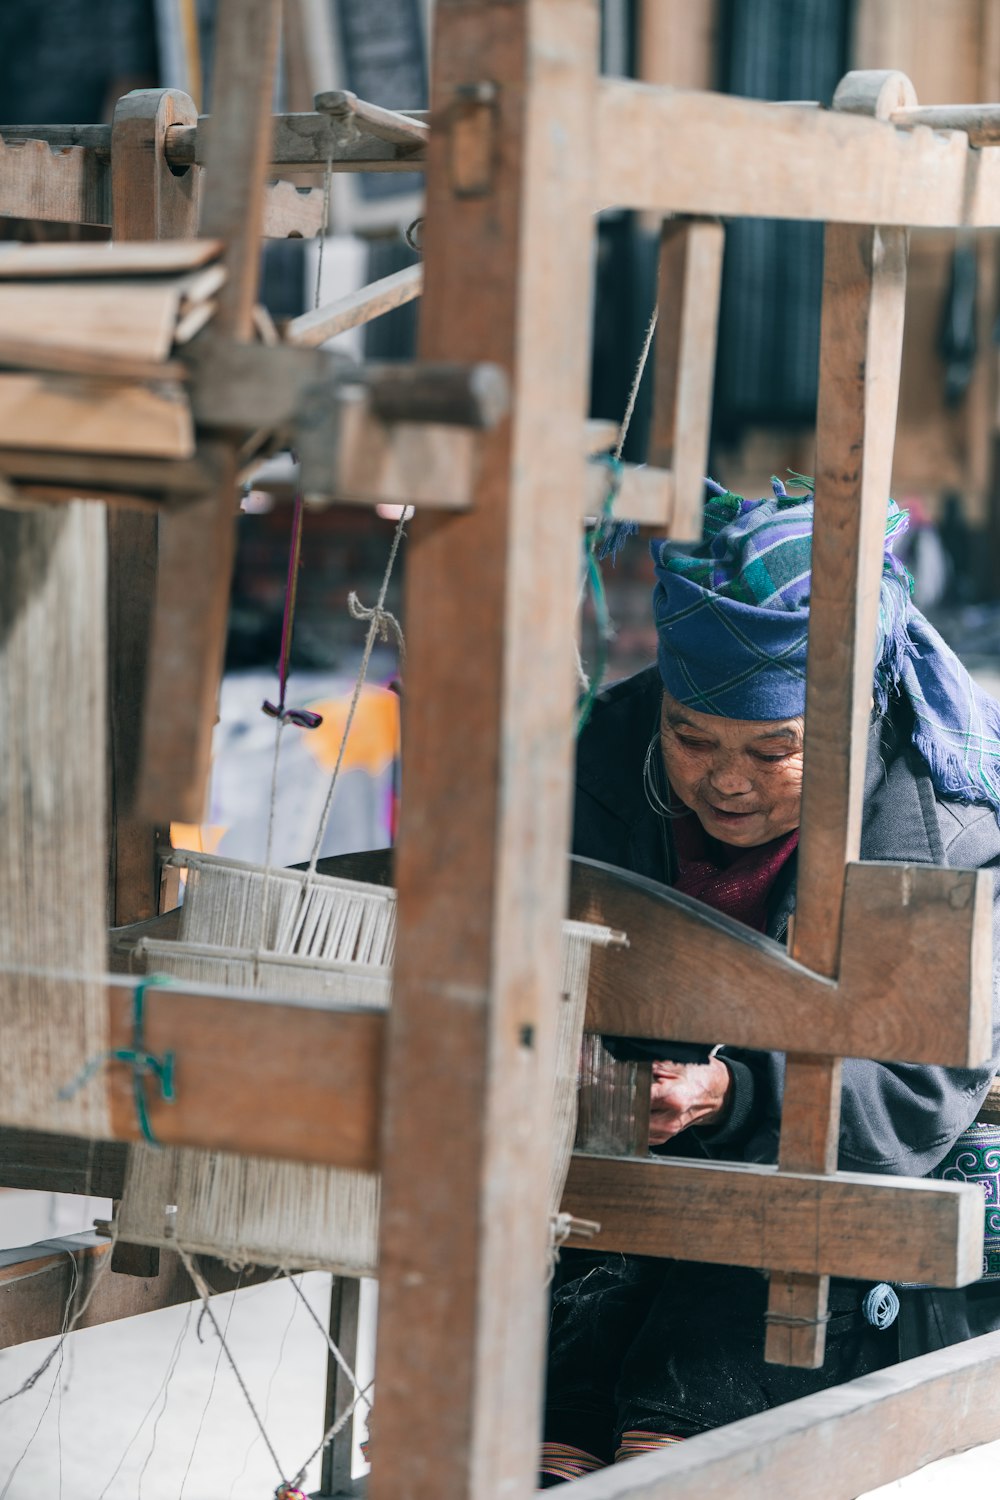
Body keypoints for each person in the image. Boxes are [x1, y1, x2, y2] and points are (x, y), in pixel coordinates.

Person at [540, 480, 1000, 1486]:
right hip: (611, 1171)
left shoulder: (933, 835)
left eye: (771, 751)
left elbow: (916, 1093)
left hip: (821, 1187)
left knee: (675, 1413)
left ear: (842, 726)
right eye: (692, 738)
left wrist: (733, 1096)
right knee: (555, 1412)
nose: (724, 780)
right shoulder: (601, 760)